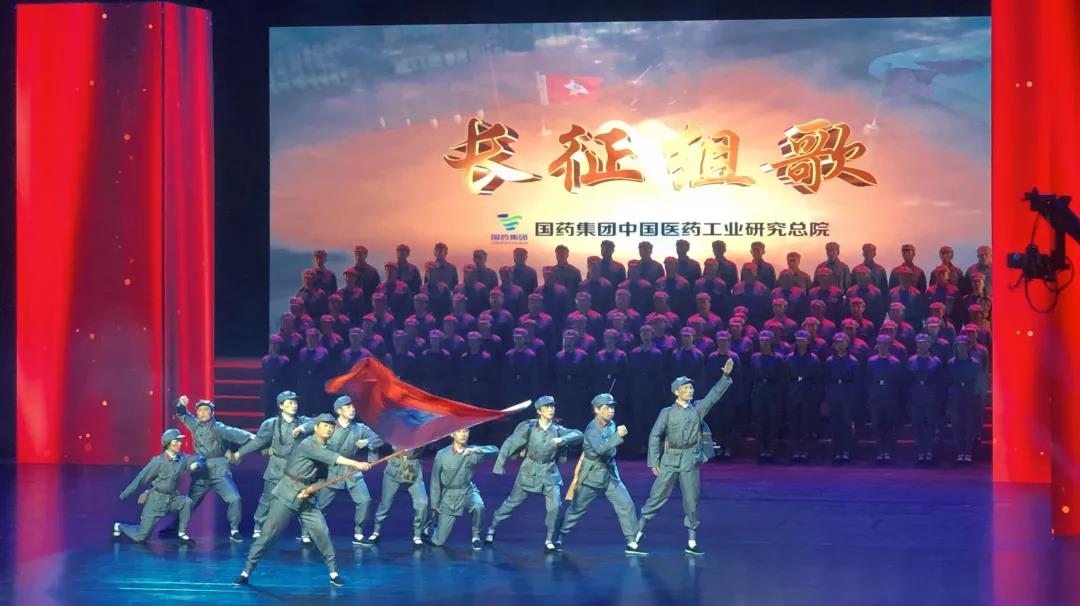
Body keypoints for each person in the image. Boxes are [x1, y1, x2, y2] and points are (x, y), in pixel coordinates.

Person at [234, 414, 372, 588]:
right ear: (316, 427)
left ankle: (333, 572)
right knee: (268, 535)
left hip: (307, 499)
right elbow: (332, 457)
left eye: (331, 426)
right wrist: (357, 464)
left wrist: (312, 488)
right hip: (287, 494)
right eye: (325, 425)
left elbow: (322, 479)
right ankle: (246, 572)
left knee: (322, 533)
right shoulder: (308, 444)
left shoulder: (327, 448)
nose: (329, 429)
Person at [637, 359, 734, 555]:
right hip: (670, 459)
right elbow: (655, 436)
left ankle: (691, 540)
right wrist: (654, 462)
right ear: (677, 392)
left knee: (691, 499)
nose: (690, 390)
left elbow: (714, 396)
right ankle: (636, 534)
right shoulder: (667, 413)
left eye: (691, 387)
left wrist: (725, 377)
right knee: (657, 496)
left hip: (690, 459)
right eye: (686, 388)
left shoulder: (697, 409)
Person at [487, 396, 584, 549]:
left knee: (555, 506)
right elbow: (510, 443)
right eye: (547, 407)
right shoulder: (529, 428)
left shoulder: (557, 430)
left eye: (552, 406)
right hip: (529, 471)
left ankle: (549, 539)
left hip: (549, 472)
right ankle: (492, 528)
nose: (551, 409)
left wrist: (563, 440)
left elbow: (578, 434)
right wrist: (500, 465)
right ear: (539, 411)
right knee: (512, 503)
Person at [556, 394, 646, 555]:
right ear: (597, 410)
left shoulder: (611, 424)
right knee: (577, 508)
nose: (611, 410)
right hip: (592, 475)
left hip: (610, 474)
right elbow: (600, 449)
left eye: (612, 407)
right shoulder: (592, 429)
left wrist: (614, 438)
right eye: (607, 407)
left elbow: (610, 449)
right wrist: (618, 436)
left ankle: (632, 542)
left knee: (626, 504)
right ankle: (558, 536)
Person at [172, 396, 254, 542]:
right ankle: (178, 528)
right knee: (189, 502)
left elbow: (235, 433)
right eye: (200, 410)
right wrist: (181, 403)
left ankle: (234, 530)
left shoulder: (219, 427)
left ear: (212, 413)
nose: (203, 413)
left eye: (206, 410)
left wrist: (255, 438)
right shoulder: (195, 425)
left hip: (219, 469)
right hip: (201, 469)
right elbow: (182, 414)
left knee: (234, 498)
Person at [234, 391, 312, 540]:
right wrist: (239, 453)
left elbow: (318, 421)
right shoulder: (271, 423)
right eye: (289, 403)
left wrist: (303, 428)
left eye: (295, 402)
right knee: (267, 498)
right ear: (281, 406)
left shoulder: (303, 421)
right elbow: (258, 442)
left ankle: (306, 533)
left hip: (297, 468)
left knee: (303, 499)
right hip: (276, 467)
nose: (293, 406)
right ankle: (258, 526)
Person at [313, 396, 384, 545]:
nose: (352, 409)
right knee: (322, 505)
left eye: (353, 406)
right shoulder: (329, 427)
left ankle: (358, 534)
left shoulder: (359, 428)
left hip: (352, 469)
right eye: (348, 407)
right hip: (331, 469)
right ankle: (310, 532)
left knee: (364, 500)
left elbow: (380, 436)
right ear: (339, 411)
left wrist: (367, 441)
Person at [113, 429, 202, 545]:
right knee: (141, 537)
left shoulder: (182, 459)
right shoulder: (158, 462)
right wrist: (125, 494)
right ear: (168, 443)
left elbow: (198, 458)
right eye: (176, 441)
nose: (180, 443)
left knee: (187, 502)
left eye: (180, 441)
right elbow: (141, 478)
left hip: (172, 499)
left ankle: (182, 533)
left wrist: (198, 464)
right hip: (156, 501)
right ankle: (119, 526)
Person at [428, 428, 499, 549]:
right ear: (452, 434)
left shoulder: (473, 451)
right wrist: (435, 504)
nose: (463, 434)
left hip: (468, 490)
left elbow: (495, 451)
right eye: (459, 431)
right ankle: (433, 525)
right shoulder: (442, 454)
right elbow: (435, 480)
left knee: (478, 506)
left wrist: (476, 450)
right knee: (438, 542)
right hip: (450, 496)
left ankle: (476, 536)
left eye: (466, 431)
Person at [367, 447, 429, 547]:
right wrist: (369, 444)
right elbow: (379, 439)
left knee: (422, 502)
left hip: (412, 467)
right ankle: (376, 531)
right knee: (386, 503)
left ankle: (418, 534)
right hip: (394, 467)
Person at [947, 336, 989, 464]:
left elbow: (979, 381)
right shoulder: (951, 363)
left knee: (969, 425)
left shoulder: (975, 364)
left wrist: (978, 395)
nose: (962, 348)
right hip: (956, 397)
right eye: (960, 345)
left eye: (964, 345)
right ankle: (960, 452)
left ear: (968, 347)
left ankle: (968, 452)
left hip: (970, 396)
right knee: (957, 425)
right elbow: (948, 381)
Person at [749, 331, 786, 461]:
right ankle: (761, 449)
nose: (764, 343)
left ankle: (771, 449)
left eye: (766, 340)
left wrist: (779, 393)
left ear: (771, 342)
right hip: (759, 391)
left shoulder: (779, 358)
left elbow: (782, 377)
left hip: (773, 392)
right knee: (760, 422)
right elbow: (751, 376)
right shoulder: (754, 357)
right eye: (761, 340)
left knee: (772, 422)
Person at [907, 334, 944, 464]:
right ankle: (920, 451)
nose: (922, 346)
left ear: (929, 345)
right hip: (916, 399)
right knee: (918, 426)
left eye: (924, 343)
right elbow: (907, 381)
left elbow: (940, 382)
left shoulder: (936, 361)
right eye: (920, 343)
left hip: (931, 398)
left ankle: (929, 451)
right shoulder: (911, 361)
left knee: (930, 426)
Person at [786, 331, 822, 462]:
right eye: (798, 340)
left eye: (803, 340)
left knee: (807, 424)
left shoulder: (814, 359)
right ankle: (796, 450)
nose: (801, 343)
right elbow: (786, 377)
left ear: (808, 342)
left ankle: (807, 450)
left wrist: (816, 396)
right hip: (794, 392)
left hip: (808, 393)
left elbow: (818, 379)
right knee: (795, 423)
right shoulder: (789, 358)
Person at [866, 335, 903, 463]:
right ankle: (879, 451)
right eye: (880, 344)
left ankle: (888, 451)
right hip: (876, 398)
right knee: (877, 425)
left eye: (885, 344)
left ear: (889, 345)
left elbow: (898, 381)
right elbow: (868, 380)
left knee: (889, 425)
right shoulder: (871, 361)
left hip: (890, 398)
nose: (882, 346)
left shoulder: (895, 362)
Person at [825, 333, 861, 463]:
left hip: (848, 395)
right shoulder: (829, 361)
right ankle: (836, 450)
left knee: (847, 423)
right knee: (835, 423)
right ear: (834, 345)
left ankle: (846, 450)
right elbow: (826, 380)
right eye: (837, 343)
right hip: (834, 394)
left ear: (847, 344)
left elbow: (857, 382)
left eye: (842, 342)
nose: (840, 345)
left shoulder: (853, 362)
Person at [261, 336, 292, 417]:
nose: (273, 346)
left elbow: (287, 376)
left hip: (279, 388)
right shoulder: (265, 360)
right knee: (268, 411)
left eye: (276, 344)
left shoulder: (284, 360)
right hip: (268, 388)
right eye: (272, 343)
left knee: (279, 411)